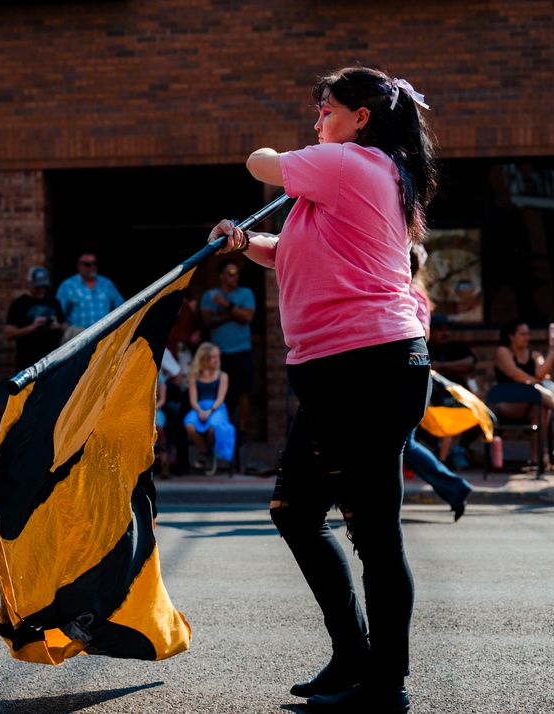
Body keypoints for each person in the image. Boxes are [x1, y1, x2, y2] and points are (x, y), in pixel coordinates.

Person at [212, 67, 438, 711]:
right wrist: (245, 240)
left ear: (361, 116)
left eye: (326, 110)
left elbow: (260, 162)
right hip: (342, 372)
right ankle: (353, 660)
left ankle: (384, 683)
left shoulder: (352, 163)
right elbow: (294, 251)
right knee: (297, 515)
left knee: (375, 535)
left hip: (366, 369)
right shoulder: (353, 175)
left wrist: (281, 158)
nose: (317, 122)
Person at [405, 248, 472, 520]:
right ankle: (455, 488)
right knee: (400, 443)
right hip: (404, 371)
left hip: (406, 370)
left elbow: (423, 334)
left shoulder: (411, 292)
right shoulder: (410, 290)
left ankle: (456, 488)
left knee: (402, 444)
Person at [200, 259, 255, 439]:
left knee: (243, 391)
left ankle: (241, 432)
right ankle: (224, 428)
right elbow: (208, 322)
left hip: (242, 350)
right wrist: (233, 314)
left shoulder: (246, 293)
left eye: (237, 273)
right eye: (231, 273)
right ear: (221, 276)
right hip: (218, 353)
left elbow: (247, 317)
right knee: (221, 392)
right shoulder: (209, 296)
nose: (236, 277)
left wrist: (226, 306)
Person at [493, 320, 554, 468]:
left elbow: (542, 373)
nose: (527, 337)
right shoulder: (503, 351)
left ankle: (535, 459)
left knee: (540, 408)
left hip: (532, 403)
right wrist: (536, 383)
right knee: (537, 391)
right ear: (511, 336)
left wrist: (552, 350)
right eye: (522, 334)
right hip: (508, 404)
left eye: (528, 334)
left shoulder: (535, 355)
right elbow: (516, 375)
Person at [182, 343, 235, 475]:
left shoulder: (222, 376)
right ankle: (205, 453)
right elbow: (193, 399)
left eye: (218, 356)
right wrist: (200, 411)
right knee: (189, 424)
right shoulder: (195, 376)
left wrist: (210, 411)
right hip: (199, 407)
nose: (217, 360)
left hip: (216, 408)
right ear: (204, 359)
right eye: (213, 357)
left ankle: (207, 455)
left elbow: (220, 398)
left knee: (213, 426)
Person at [5, 266, 65, 374]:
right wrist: (33, 326)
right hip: (27, 360)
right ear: (28, 283)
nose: (40, 289)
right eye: (37, 286)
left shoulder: (53, 301)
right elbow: (9, 333)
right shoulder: (19, 304)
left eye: (43, 286)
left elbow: (65, 326)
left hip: (51, 357)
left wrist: (57, 326)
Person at [56, 252, 124, 343]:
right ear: (79, 266)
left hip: (104, 339)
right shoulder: (68, 286)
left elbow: (122, 308)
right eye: (88, 264)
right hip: (77, 341)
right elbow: (58, 314)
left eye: (95, 263)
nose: (92, 267)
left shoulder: (106, 284)